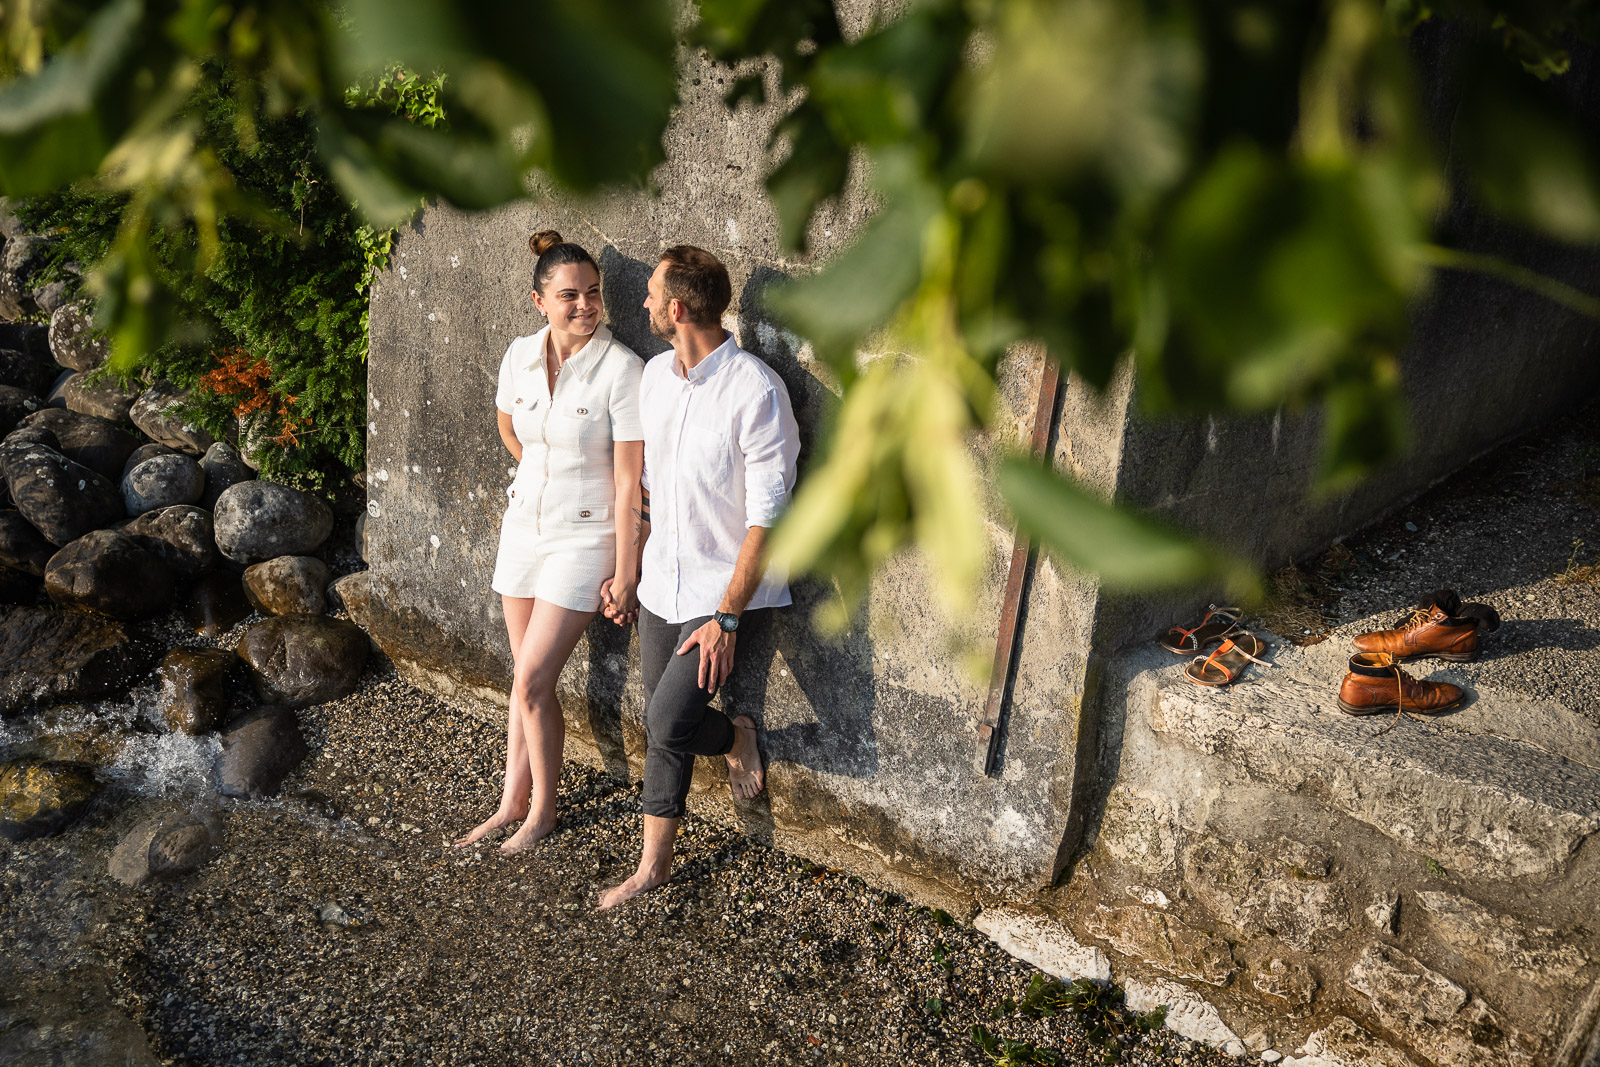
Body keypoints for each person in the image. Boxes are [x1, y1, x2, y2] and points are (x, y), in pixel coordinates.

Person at [598, 245, 799, 910]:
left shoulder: (757, 391)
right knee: (666, 727)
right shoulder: (656, 377)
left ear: (678, 309)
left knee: (665, 720)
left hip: (724, 592)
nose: (646, 305)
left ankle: (736, 731)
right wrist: (629, 571)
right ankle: (653, 865)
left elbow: (768, 521)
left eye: (654, 296)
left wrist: (728, 617)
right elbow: (649, 487)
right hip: (661, 583)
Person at [456, 230, 645, 854]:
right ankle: (511, 798)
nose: (585, 306)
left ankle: (542, 811)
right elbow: (511, 429)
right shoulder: (518, 354)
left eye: (593, 294)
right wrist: (538, 475)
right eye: (570, 296)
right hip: (524, 527)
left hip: (586, 536)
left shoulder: (623, 370)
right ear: (539, 299)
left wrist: (625, 570)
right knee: (522, 677)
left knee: (534, 680)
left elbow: (628, 482)